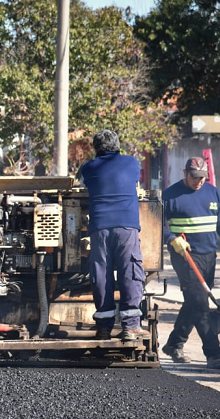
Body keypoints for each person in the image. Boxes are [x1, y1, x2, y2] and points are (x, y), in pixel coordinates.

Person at [79, 129, 146, 341]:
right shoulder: (131, 163)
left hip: (99, 227)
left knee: (102, 274)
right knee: (129, 270)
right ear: (118, 145)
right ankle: (131, 326)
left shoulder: (88, 167)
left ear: (96, 148)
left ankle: (104, 328)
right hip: (126, 226)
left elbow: (85, 185)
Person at [161, 156, 220, 369]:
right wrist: (171, 238)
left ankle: (174, 344)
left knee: (193, 302)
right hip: (185, 257)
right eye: (194, 177)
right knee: (200, 305)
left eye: (202, 177)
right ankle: (213, 355)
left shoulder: (213, 193)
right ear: (185, 173)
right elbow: (156, 224)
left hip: (209, 257)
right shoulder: (170, 196)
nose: (198, 181)